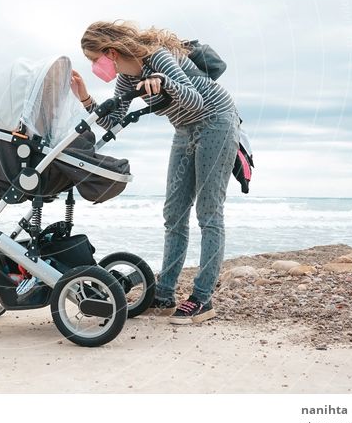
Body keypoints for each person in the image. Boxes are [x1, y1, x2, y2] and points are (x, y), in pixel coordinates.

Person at [72, 20, 239, 324]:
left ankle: (202, 299)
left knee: (208, 212)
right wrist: (85, 97)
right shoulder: (125, 78)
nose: (95, 67)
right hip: (185, 129)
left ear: (110, 51)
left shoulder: (158, 58)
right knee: (173, 213)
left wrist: (165, 83)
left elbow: (196, 99)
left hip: (217, 120)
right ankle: (163, 295)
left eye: (95, 60)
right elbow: (113, 122)